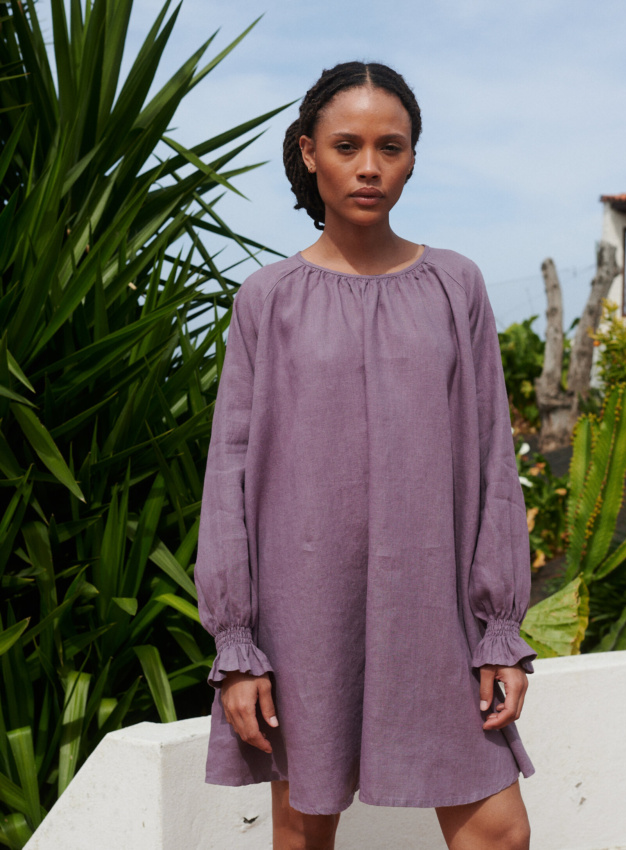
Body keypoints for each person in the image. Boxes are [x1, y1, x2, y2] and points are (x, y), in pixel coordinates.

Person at [194, 61, 537, 850]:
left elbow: (492, 463)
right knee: (305, 832)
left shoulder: (458, 286)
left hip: (436, 609)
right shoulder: (267, 299)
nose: (371, 166)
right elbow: (230, 473)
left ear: (415, 158)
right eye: (348, 145)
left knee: (498, 829)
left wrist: (500, 632)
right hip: (303, 612)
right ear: (310, 152)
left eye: (393, 146)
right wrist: (238, 647)